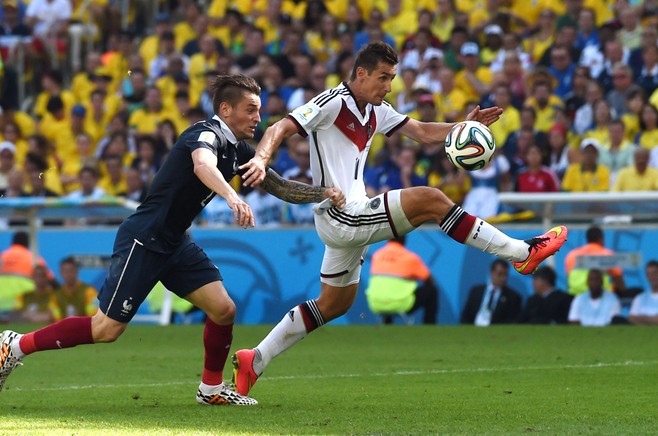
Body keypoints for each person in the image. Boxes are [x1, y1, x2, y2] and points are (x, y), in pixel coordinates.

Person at [231, 42, 568, 397]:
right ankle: (522, 253)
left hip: (352, 218)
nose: (389, 85)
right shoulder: (333, 102)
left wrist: (459, 127)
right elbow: (281, 127)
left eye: (392, 78)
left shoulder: (377, 110)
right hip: (341, 214)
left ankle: (255, 358)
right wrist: (261, 159)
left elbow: (421, 132)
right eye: (384, 77)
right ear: (360, 74)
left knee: (335, 304)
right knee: (431, 199)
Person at [0, 75, 346, 406]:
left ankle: (210, 390)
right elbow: (202, 166)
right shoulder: (205, 134)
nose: (259, 116)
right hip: (145, 238)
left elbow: (278, 185)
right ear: (226, 109)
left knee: (224, 309)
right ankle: (16, 345)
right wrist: (232, 197)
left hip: (174, 241)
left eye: (259, 108)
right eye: (251, 108)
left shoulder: (238, 151)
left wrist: (322, 193)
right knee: (106, 329)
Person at [365, 235, 438, 324]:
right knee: (432, 290)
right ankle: (429, 327)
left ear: (388, 239)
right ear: (404, 241)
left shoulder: (377, 255)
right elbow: (429, 280)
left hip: (375, 303)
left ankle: (387, 325)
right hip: (401, 304)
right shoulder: (410, 258)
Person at [564, 225, 625, 296]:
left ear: (587, 239)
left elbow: (569, 277)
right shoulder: (607, 254)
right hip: (600, 297)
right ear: (601, 239)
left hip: (575, 296)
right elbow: (619, 282)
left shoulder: (572, 255)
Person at [460, 259, 522, 326]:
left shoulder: (513, 297)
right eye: (500, 274)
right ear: (491, 272)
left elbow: (511, 322)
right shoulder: (476, 292)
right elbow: (465, 317)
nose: (503, 278)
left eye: (505, 274)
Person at [628, 260, 658, 325]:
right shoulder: (639, 298)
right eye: (649, 274)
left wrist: (641, 318)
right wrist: (652, 319)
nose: (652, 276)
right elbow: (631, 318)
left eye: (655, 273)